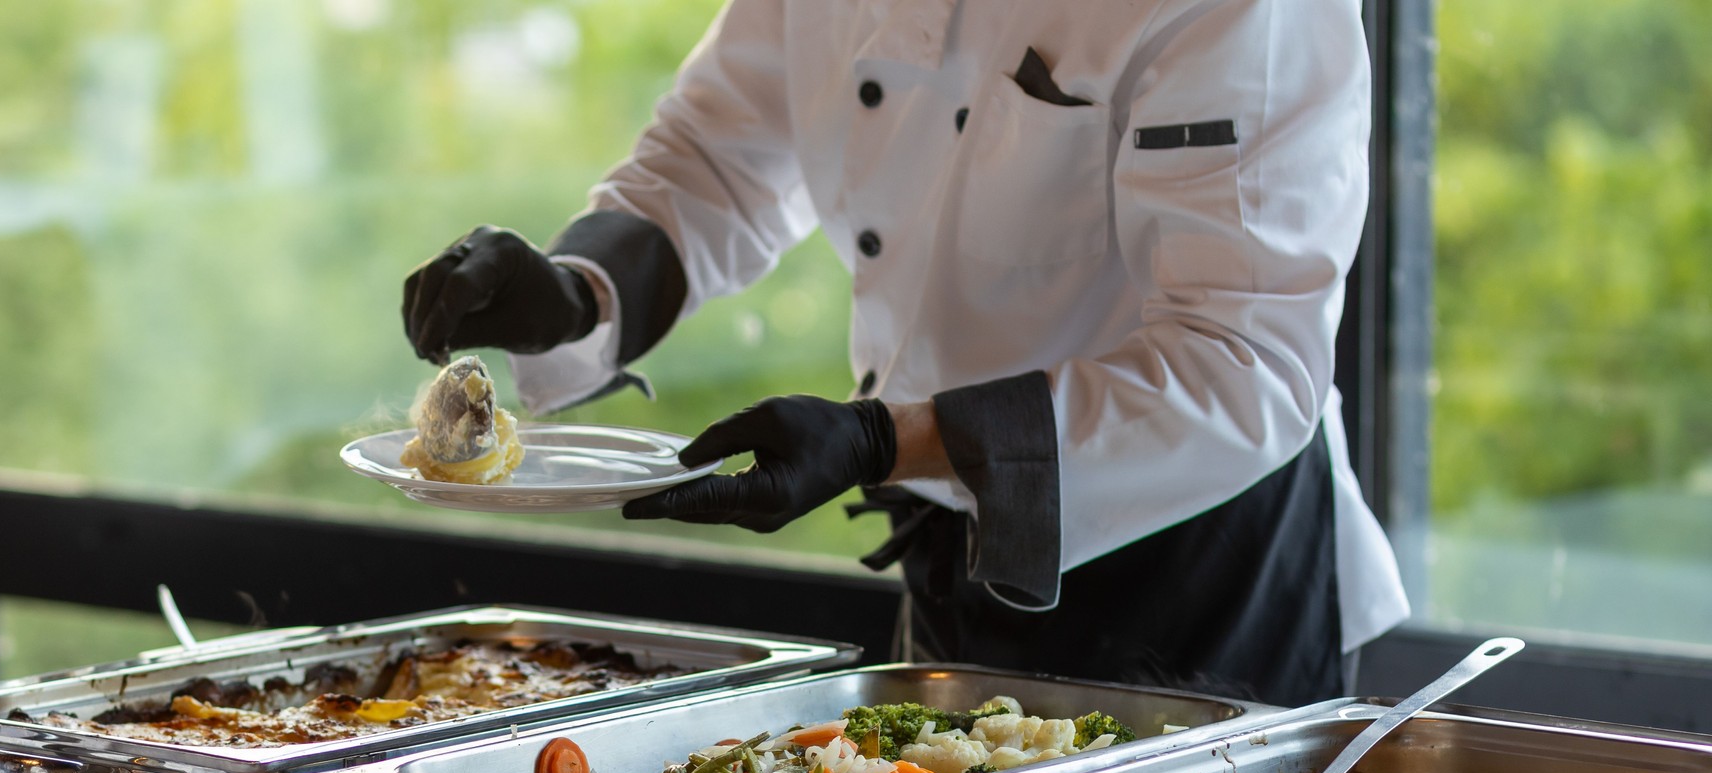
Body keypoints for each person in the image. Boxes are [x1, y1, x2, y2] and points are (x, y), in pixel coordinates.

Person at [400, 0, 1408, 705]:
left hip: (1200, 582)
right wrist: (576, 293)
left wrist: (885, 439)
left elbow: (1241, 364)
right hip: (951, 542)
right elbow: (718, 151)